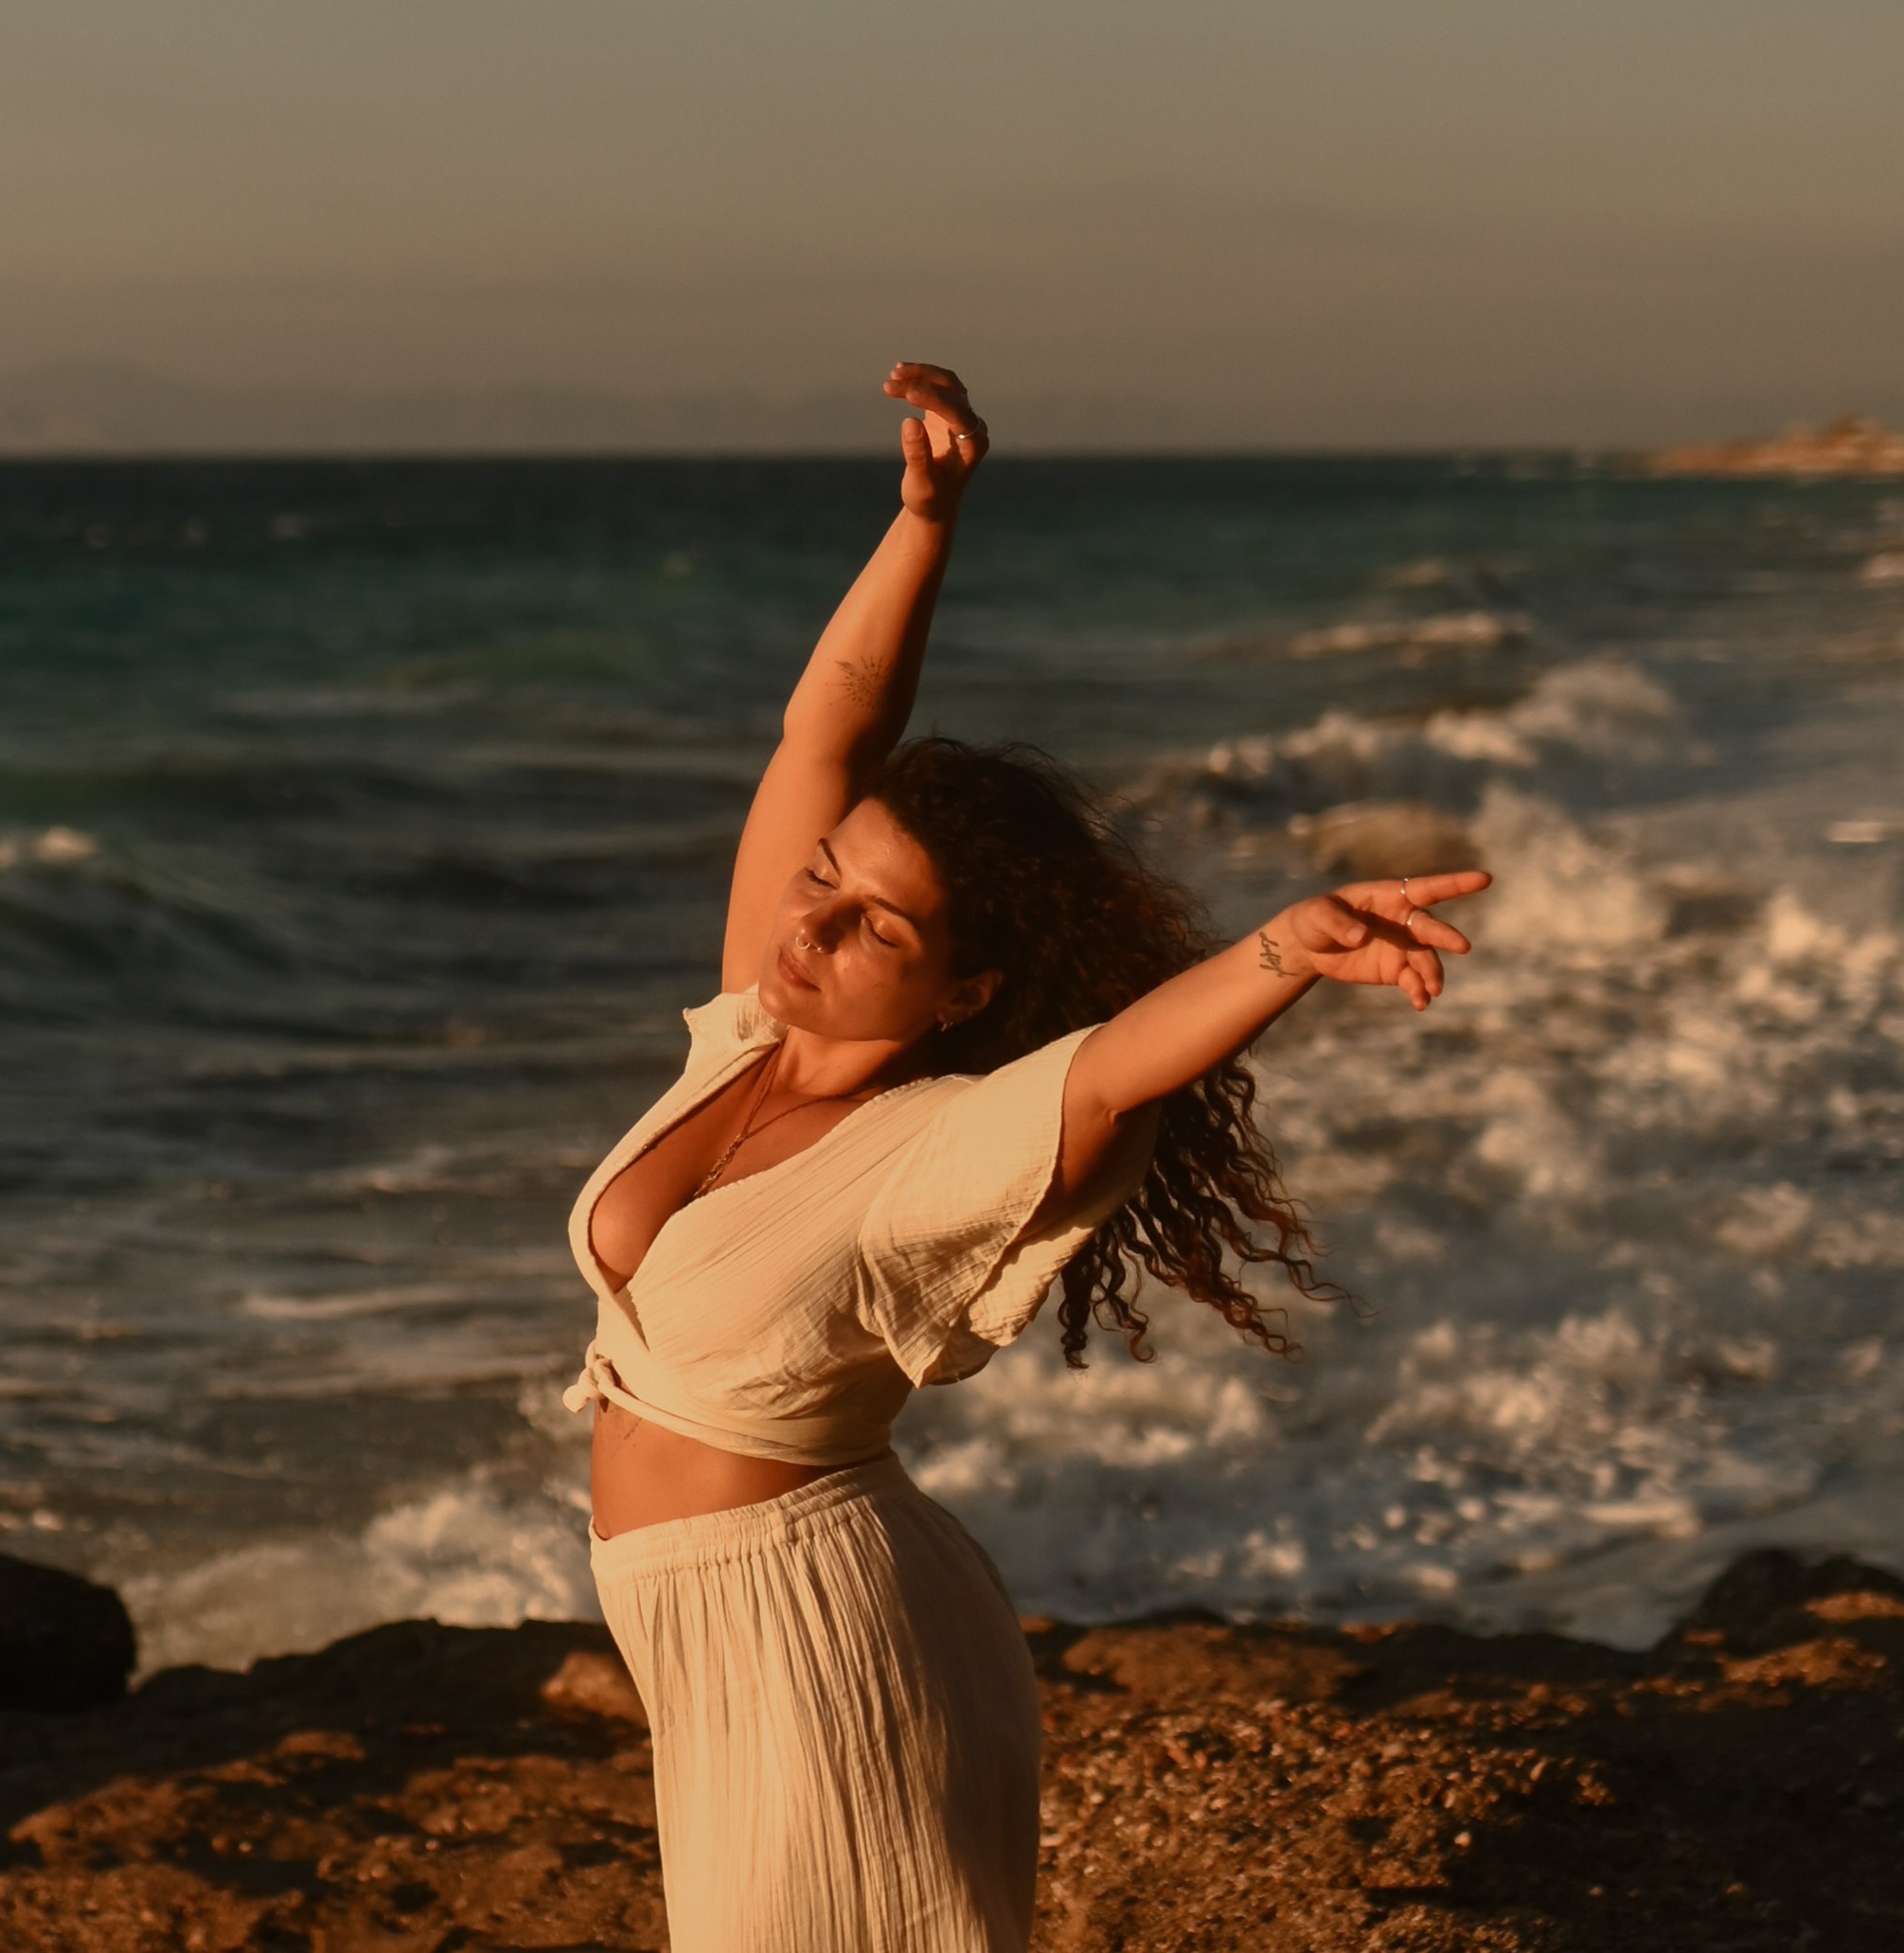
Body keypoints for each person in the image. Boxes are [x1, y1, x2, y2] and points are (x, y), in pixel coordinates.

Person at [566, 363, 1485, 1953]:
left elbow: (1117, 1066)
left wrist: (1279, 949)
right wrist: (925, 521)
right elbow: (826, 729)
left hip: (818, 1639)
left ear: (965, 992)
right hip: (705, 1629)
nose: (813, 922)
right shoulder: (743, 1034)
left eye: (876, 926)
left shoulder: (936, 1144)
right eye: (822, 880)